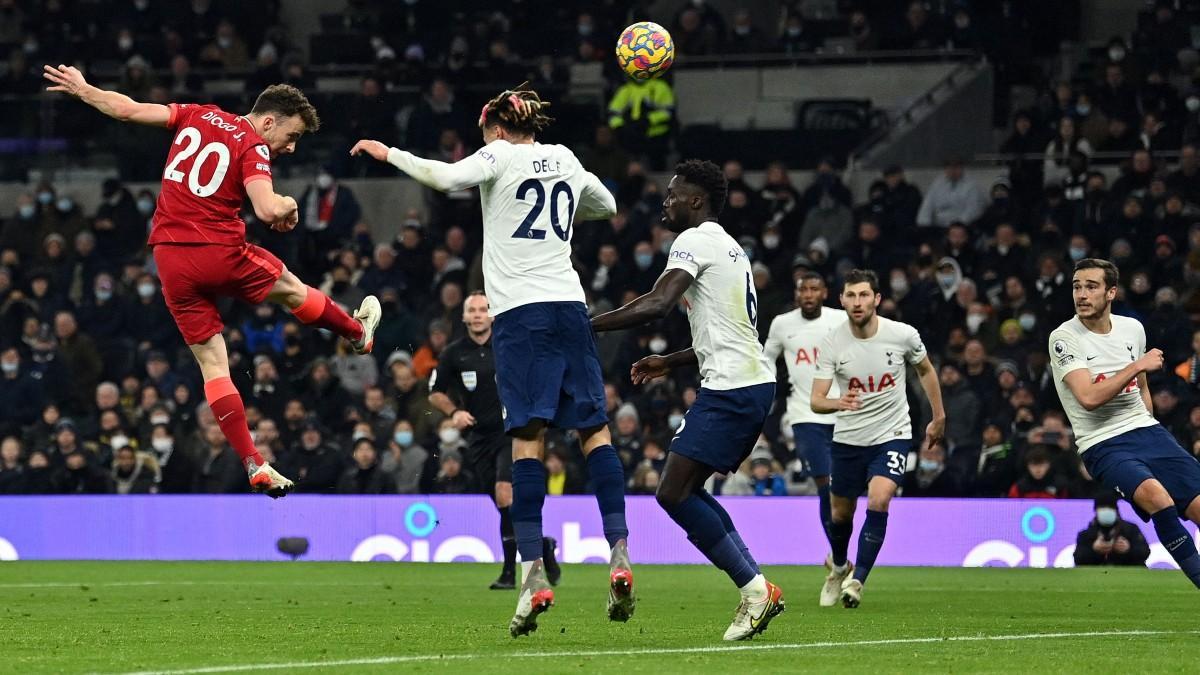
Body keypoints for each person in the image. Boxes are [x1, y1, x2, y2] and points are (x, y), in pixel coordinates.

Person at [350, 85, 631, 636]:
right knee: (595, 433)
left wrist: (391, 155)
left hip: (522, 315)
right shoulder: (568, 158)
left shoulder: (498, 154)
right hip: (572, 307)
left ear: (496, 129)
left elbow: (444, 177)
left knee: (527, 440)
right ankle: (619, 550)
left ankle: (531, 577)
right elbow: (609, 206)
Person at [43, 65, 382, 498]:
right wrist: (290, 204)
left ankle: (254, 463)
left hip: (167, 258)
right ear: (268, 120)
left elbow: (126, 110)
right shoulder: (253, 144)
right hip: (215, 250)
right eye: (292, 136)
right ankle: (357, 333)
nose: (291, 148)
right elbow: (265, 209)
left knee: (213, 366)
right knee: (292, 289)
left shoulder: (197, 114)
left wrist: (86, 89)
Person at [591, 159, 784, 641]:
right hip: (744, 381)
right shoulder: (730, 247)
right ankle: (757, 587)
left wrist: (587, 325)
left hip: (734, 387)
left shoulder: (693, 241)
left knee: (673, 493)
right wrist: (670, 362)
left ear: (697, 201)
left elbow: (657, 303)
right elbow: (730, 332)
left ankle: (755, 588)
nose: (666, 200)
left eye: (674, 194)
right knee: (684, 490)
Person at [1049, 258, 1200, 589]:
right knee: (1158, 498)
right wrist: (1136, 366)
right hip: (1102, 443)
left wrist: (1148, 418)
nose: (1082, 294)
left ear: (1111, 292)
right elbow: (1088, 397)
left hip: (1147, 432)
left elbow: (1143, 389)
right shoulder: (1063, 338)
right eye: (1077, 286)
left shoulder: (1132, 329)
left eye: (1091, 286)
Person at [812, 269, 945, 608]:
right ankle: (840, 566)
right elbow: (817, 399)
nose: (857, 302)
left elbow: (926, 369)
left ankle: (858, 581)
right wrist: (837, 402)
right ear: (841, 300)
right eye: (851, 296)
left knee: (880, 498)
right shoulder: (832, 341)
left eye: (864, 295)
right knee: (841, 515)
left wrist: (938, 415)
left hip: (892, 433)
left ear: (877, 299)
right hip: (848, 438)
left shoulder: (902, 335)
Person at [428, 291, 560, 591]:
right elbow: (435, 391)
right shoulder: (453, 353)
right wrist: (455, 411)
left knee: (505, 495)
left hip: (511, 432)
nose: (477, 314)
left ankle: (509, 574)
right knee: (506, 507)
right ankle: (543, 545)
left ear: (493, 314)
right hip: (478, 437)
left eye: (483, 309)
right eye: (471, 310)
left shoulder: (509, 345)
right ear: (463, 317)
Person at [762, 272, 845, 597]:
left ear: (824, 292)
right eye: (803, 290)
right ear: (797, 295)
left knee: (845, 490)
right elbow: (767, 357)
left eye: (814, 289)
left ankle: (839, 561)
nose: (808, 294)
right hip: (804, 413)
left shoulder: (841, 320)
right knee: (827, 483)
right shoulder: (783, 324)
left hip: (843, 412)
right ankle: (840, 562)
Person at [1074, 491, 1151, 567]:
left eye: (1110, 507)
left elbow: (1145, 552)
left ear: (1116, 510)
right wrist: (1094, 549)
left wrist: (1128, 549)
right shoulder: (1087, 534)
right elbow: (1078, 558)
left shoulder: (1130, 529)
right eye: (1102, 508)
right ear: (1096, 511)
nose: (1106, 510)